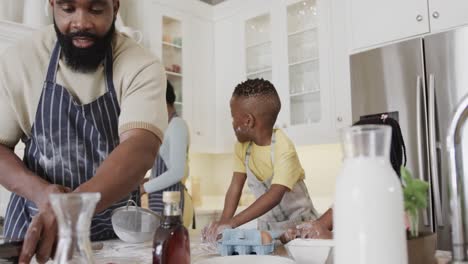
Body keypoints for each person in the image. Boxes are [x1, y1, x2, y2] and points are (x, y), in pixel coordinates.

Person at [0, 0, 167, 262]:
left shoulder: (141, 65)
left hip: (114, 238)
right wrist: (43, 194)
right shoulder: (20, 59)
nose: (81, 23)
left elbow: (140, 147)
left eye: (96, 9)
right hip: (35, 229)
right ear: (52, 5)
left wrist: (70, 208)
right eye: (68, 9)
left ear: (115, 7)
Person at [203, 78, 319, 241]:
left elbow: (274, 195)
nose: (232, 123)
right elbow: (235, 186)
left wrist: (232, 223)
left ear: (248, 121)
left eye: (233, 117)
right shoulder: (242, 147)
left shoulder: (283, 147)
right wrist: (223, 223)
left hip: (301, 231)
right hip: (268, 232)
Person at [280, 115, 407, 242]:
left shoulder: (393, 195)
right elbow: (320, 225)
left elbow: (379, 242)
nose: (346, 158)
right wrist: (298, 233)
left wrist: (330, 237)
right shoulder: (353, 193)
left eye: (355, 152)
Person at [140, 80, 194, 228]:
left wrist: (144, 188)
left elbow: (177, 171)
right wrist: (146, 181)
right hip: (162, 202)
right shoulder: (166, 126)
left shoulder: (177, 125)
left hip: (175, 203)